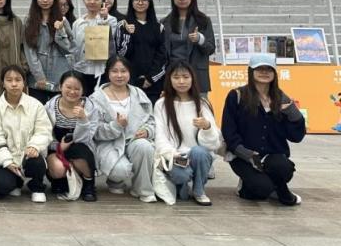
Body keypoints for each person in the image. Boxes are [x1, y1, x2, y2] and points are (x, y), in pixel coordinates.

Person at [221, 54, 306, 206]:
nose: (264, 72)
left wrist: (292, 112)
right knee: (260, 190)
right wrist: (246, 154)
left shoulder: (282, 98)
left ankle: (277, 187)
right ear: (251, 71)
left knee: (284, 168)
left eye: (269, 69)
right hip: (243, 156)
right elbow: (228, 131)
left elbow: (296, 136)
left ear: (275, 73)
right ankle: (249, 187)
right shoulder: (236, 96)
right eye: (259, 68)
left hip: (273, 155)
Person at [154, 61, 220, 206]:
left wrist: (207, 127)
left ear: (192, 79)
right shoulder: (161, 104)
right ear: (169, 80)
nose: (181, 81)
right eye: (176, 77)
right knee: (181, 175)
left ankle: (199, 191)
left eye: (185, 77)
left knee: (199, 152)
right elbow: (160, 135)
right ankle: (182, 186)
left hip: (196, 155)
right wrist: (171, 153)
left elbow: (214, 143)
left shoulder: (202, 103)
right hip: (175, 155)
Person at [91, 56, 157, 202]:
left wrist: (147, 131)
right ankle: (115, 181)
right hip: (109, 144)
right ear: (108, 73)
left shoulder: (139, 93)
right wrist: (116, 125)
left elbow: (151, 120)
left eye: (123, 71)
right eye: (114, 71)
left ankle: (142, 189)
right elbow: (95, 131)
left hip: (134, 139)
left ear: (129, 73)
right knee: (120, 170)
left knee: (145, 147)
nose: (119, 75)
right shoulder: (96, 98)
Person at [0, 65, 52, 202]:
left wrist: (34, 146)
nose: (14, 84)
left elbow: (44, 131)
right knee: (2, 185)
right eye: (9, 80)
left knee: (37, 162)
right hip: (8, 157)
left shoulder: (36, 105)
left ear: (24, 83)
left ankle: (37, 187)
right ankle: (16, 182)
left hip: (29, 156)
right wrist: (7, 161)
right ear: (3, 83)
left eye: (18, 80)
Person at [43, 71, 99, 201]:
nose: (72, 92)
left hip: (80, 145)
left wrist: (83, 119)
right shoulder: (49, 107)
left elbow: (87, 138)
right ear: (60, 87)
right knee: (58, 169)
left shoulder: (90, 108)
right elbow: (44, 133)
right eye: (68, 87)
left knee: (82, 154)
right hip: (57, 146)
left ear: (83, 90)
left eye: (77, 89)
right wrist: (58, 146)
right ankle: (61, 181)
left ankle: (89, 184)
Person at [161, 0, 216, 95]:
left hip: (197, 76)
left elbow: (210, 49)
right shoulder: (164, 22)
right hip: (173, 75)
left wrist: (200, 39)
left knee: (199, 106)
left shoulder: (203, 20)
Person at [23, 0, 74, 104]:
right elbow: (29, 51)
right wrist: (39, 76)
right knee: (38, 109)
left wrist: (60, 31)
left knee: (58, 108)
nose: (45, 0)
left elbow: (69, 48)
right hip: (37, 78)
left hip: (59, 74)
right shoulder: (29, 20)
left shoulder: (62, 20)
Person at [115, 0, 167, 104]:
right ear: (131, 2)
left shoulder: (159, 27)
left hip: (154, 84)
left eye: (144, 0)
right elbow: (120, 54)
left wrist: (150, 78)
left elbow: (162, 57)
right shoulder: (122, 25)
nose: (140, 2)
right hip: (129, 82)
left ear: (150, 2)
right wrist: (127, 35)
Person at [70, 0, 117, 96]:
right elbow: (74, 46)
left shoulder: (110, 20)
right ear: (84, 0)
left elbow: (109, 39)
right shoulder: (77, 23)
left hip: (101, 70)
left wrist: (103, 19)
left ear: (102, 1)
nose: (92, 2)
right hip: (81, 70)